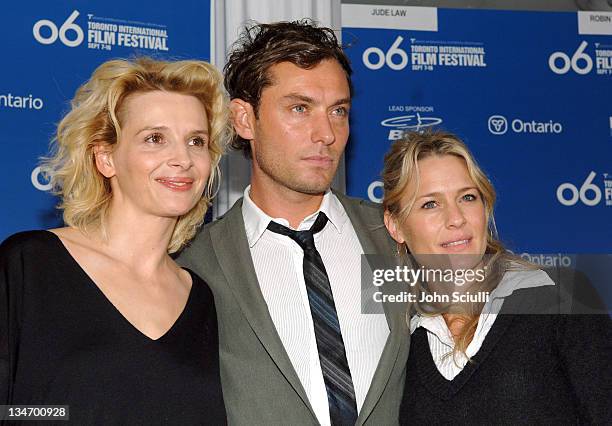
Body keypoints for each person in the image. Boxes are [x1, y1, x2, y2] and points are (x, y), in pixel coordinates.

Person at [178, 20, 409, 425]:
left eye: (338, 111)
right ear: (245, 119)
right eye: (300, 108)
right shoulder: (196, 265)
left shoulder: (392, 238)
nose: (326, 133)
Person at [0, 57, 228, 424]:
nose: (182, 159)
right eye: (155, 139)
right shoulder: (31, 264)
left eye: (196, 141)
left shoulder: (202, 299)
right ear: (106, 158)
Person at [381, 130, 611, 424]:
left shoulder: (562, 298)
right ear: (395, 225)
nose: (456, 218)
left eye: (467, 197)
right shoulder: (399, 340)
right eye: (430, 204)